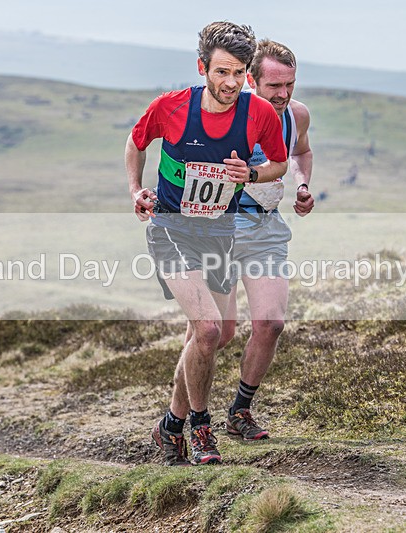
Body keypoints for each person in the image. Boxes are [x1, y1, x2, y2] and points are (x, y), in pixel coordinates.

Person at [126, 21, 288, 466]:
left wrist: (250, 174)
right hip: (171, 229)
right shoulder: (172, 107)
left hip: (220, 231)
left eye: (238, 73)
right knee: (209, 329)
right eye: (221, 72)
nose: (230, 83)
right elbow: (136, 143)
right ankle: (201, 427)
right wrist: (135, 190)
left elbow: (278, 164)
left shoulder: (258, 114)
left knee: (216, 334)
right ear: (202, 68)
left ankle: (170, 425)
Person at [219, 39, 314, 440]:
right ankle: (181, 415)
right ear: (251, 80)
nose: (283, 94)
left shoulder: (297, 115)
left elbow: (301, 152)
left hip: (266, 228)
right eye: (274, 85)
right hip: (221, 229)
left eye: (289, 84)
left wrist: (303, 184)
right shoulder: (226, 115)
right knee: (216, 333)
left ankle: (240, 411)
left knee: (271, 323)